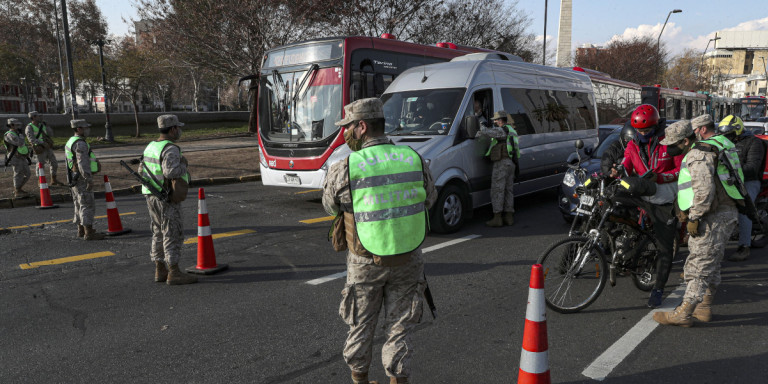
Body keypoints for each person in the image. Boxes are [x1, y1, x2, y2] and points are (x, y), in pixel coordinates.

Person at [322, 98, 437, 384]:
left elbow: (330, 206)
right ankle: (398, 380)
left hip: (365, 261)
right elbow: (430, 199)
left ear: (361, 126)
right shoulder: (414, 158)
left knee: (360, 323)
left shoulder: (346, 165)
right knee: (400, 326)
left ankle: (360, 380)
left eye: (347, 127)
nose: (345, 133)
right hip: (409, 258)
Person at [654, 114, 742, 327]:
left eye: (673, 144)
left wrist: (694, 217)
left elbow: (703, 192)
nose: (670, 149)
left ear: (685, 141)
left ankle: (684, 313)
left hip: (712, 217)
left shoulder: (698, 154)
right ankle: (704, 307)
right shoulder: (719, 143)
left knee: (698, 266)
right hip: (726, 212)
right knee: (712, 263)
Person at [613, 104, 683, 308]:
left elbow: (682, 170)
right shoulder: (632, 144)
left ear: (655, 127)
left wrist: (662, 177)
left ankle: (658, 288)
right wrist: (617, 171)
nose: (642, 134)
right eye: (638, 131)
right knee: (611, 201)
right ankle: (624, 247)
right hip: (642, 196)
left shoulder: (670, 143)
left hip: (664, 200)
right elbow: (626, 164)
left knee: (664, 248)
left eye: (646, 131)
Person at [142, 114, 196, 285]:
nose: (180, 131)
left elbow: (142, 169)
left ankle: (160, 268)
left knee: (158, 231)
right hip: (166, 196)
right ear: (173, 129)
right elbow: (170, 172)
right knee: (172, 232)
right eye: (178, 128)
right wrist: (184, 165)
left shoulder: (151, 146)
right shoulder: (170, 148)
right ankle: (174, 271)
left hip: (151, 194)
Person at [718, 115, 763, 261]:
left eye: (729, 134)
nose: (726, 137)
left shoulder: (754, 143)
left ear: (737, 130)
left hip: (750, 181)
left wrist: (731, 170)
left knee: (744, 208)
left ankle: (744, 247)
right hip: (729, 179)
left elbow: (752, 168)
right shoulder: (725, 142)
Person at [476, 111, 520, 227]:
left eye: (496, 120)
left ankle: (497, 218)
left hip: (502, 164)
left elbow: (487, 132)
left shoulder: (503, 130)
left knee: (497, 190)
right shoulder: (512, 130)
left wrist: (479, 123)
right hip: (511, 164)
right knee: (508, 190)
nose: (495, 122)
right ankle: (509, 217)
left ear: (501, 120)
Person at [65, 119, 104, 240]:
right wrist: (88, 178)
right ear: (78, 129)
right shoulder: (80, 143)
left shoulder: (71, 141)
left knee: (78, 203)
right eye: (85, 128)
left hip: (74, 177)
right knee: (87, 203)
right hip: (82, 178)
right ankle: (89, 232)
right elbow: (82, 163)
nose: (88, 130)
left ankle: (81, 229)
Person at [25, 111, 63, 186]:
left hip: (47, 146)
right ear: (33, 117)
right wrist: (42, 143)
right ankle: (40, 181)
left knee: (54, 163)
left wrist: (47, 126)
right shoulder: (29, 127)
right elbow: (31, 139)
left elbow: (51, 134)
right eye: (38, 116)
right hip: (39, 148)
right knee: (40, 165)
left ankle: (54, 179)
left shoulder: (42, 125)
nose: (40, 117)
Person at [3, 118, 32, 198]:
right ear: (11, 125)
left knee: (28, 174)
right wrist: (21, 135)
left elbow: (23, 145)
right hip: (15, 157)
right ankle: (17, 190)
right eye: (16, 125)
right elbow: (20, 143)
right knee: (18, 173)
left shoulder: (17, 133)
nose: (18, 126)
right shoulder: (9, 134)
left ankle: (18, 188)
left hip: (22, 156)